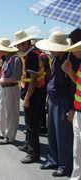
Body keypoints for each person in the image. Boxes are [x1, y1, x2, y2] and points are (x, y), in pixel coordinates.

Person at [36, 31, 74, 177]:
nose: (50, 49)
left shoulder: (69, 61)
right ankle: (53, 159)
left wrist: (71, 107)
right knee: (52, 131)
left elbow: (73, 86)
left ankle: (65, 165)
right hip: (52, 99)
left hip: (63, 101)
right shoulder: (55, 59)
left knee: (63, 135)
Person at [12, 30, 45, 163]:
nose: (17, 48)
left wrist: (27, 98)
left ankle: (33, 153)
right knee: (28, 123)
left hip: (34, 94)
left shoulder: (32, 56)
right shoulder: (30, 54)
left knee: (32, 125)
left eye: (19, 45)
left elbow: (33, 79)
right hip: (33, 93)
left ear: (25, 43)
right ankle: (27, 145)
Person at [0, 38, 22, 144]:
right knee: (2, 112)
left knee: (10, 114)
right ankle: (4, 133)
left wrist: (0, 81)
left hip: (11, 88)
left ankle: (10, 137)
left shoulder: (16, 59)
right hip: (4, 88)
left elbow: (16, 78)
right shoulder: (8, 58)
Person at [61, 29, 81, 180]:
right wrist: (69, 72)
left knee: (78, 151)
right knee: (77, 151)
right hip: (78, 111)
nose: (72, 51)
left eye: (74, 46)